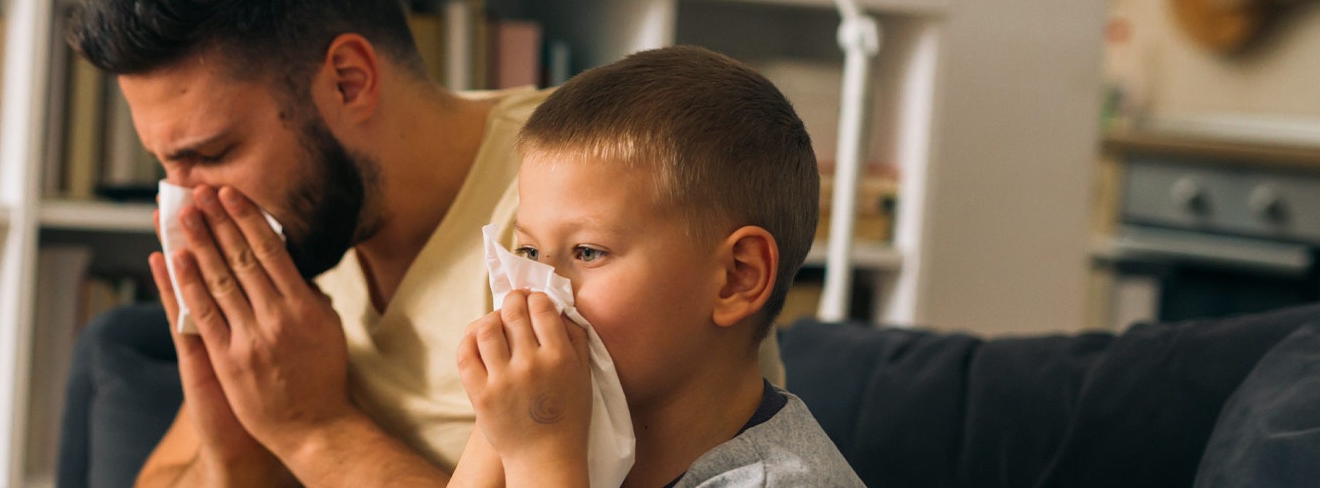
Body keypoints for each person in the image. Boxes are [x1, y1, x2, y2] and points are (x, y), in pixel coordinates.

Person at [58, 1, 786, 486]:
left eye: (212, 153)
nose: (188, 203)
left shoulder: (574, 220)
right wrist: (233, 425)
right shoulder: (305, 231)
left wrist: (314, 430)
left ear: (348, 81)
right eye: (167, 165)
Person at [447, 46, 863, 487]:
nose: (539, 296)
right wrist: (495, 432)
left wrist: (539, 450)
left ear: (737, 278)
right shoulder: (588, 445)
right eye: (529, 254)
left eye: (588, 252)